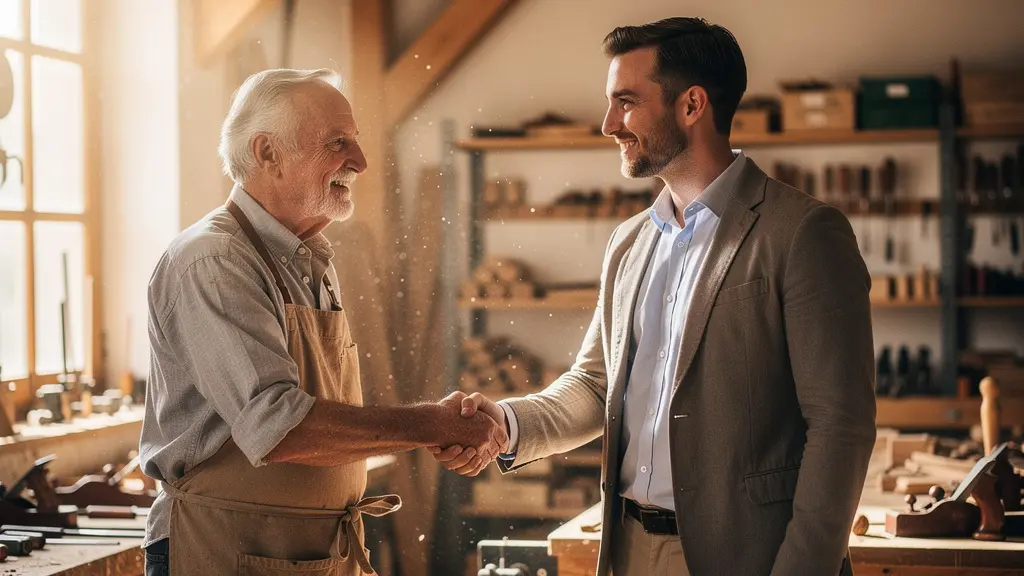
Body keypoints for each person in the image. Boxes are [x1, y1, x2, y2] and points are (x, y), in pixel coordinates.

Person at [433, 17, 876, 576]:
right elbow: (596, 385)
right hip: (627, 549)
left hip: (749, 556)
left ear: (691, 105)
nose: (608, 125)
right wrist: (505, 422)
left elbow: (840, 426)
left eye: (626, 103)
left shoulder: (803, 232)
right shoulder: (630, 241)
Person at [139, 68, 507, 576]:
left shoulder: (309, 259)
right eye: (338, 143)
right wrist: (432, 424)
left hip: (305, 555)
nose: (360, 161)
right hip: (225, 552)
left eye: (354, 140)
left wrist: (438, 426)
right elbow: (278, 427)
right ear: (268, 153)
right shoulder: (215, 261)